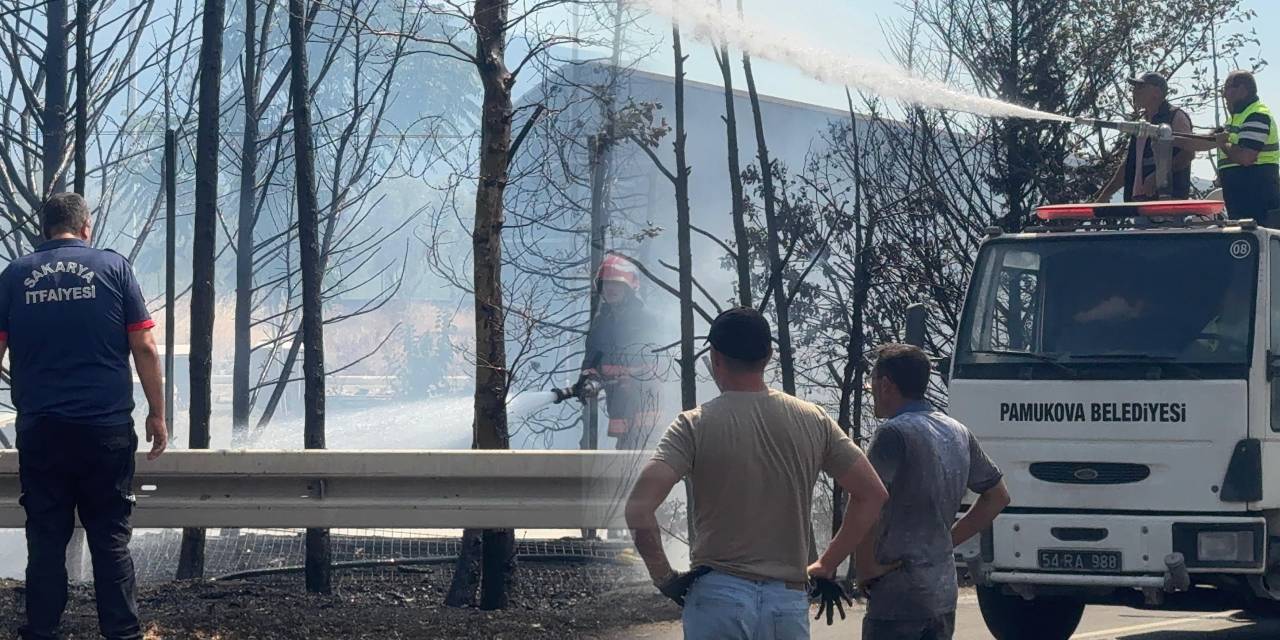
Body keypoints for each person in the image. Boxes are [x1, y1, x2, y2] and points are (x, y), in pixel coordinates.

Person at [625, 307, 889, 639]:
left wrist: (664, 577)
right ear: (768, 355)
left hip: (718, 596)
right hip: (787, 600)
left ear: (715, 357)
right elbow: (872, 494)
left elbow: (638, 509)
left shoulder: (693, 425)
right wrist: (826, 562)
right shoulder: (813, 419)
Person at [2, 193, 167, 640]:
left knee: (47, 536)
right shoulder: (115, 269)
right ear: (86, 227)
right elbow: (145, 346)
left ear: (45, 229)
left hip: (42, 430)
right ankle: (122, 632)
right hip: (105, 428)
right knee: (110, 535)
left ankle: (41, 630)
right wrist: (157, 413)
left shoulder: (15, 276)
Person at [855, 344, 1010, 640]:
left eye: (872, 382)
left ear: (886, 384)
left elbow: (867, 499)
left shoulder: (893, 433)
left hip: (898, 592)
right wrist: (946, 540)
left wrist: (865, 565)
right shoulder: (957, 431)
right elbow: (997, 496)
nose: (870, 389)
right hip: (941, 591)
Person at [574, 253, 659, 450]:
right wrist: (588, 380)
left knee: (646, 454)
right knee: (624, 457)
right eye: (606, 284)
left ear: (629, 287)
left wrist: (632, 379)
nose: (610, 289)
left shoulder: (645, 319)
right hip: (619, 404)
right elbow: (592, 359)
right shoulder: (601, 322)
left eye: (616, 284)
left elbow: (658, 363)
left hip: (645, 405)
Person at [1179, 70, 1280, 224]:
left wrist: (1222, 143)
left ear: (1242, 90)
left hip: (1259, 203)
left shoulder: (1257, 115)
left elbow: (1245, 157)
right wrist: (1171, 139)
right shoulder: (1236, 119)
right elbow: (1206, 141)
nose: (1224, 95)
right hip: (1242, 202)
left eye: (1227, 89)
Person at [1095, 72, 1194, 202]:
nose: (1134, 92)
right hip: (1140, 202)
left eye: (1140, 87)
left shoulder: (1175, 116)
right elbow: (1129, 165)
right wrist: (1104, 196)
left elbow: (1188, 153)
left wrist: (1159, 175)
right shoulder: (1141, 124)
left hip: (1168, 202)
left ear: (1157, 93)